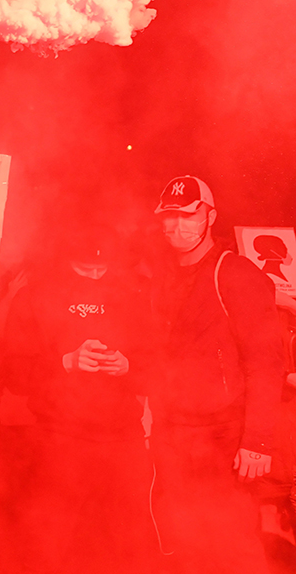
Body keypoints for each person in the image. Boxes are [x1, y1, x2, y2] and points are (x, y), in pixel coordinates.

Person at [148, 175, 286, 574]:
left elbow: (266, 361)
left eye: (189, 216)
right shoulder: (165, 275)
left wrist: (257, 442)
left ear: (210, 215)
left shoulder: (236, 272)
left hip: (225, 436)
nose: (178, 227)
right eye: (170, 218)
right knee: (188, 539)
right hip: (175, 432)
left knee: (232, 543)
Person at [2, 224, 155, 573]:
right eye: (86, 269)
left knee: (125, 546)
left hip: (122, 441)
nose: (96, 275)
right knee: (50, 547)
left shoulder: (132, 294)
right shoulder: (36, 295)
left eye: (102, 269)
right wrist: (65, 363)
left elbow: (160, 369)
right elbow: (13, 374)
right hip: (58, 441)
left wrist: (127, 366)